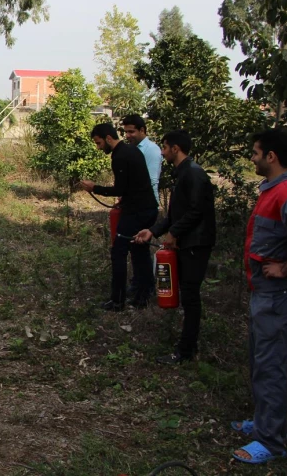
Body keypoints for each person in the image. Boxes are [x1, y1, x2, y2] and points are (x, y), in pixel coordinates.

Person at [229, 129, 287, 465]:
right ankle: (262, 423)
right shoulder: (272, 190)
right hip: (265, 293)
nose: (253, 158)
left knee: (271, 366)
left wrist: (286, 269)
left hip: (279, 295)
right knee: (261, 361)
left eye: (256, 153)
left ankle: (271, 442)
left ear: (271, 156)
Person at [134, 130, 215, 364]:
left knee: (190, 297)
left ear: (176, 149)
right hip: (188, 242)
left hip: (195, 245)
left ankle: (186, 351)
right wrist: (154, 231)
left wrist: (175, 233)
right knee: (186, 295)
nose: (162, 152)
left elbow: (196, 212)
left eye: (166, 147)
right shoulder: (184, 173)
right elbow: (175, 214)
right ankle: (186, 345)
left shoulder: (194, 175)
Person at [79, 122, 158, 311]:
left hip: (137, 213)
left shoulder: (120, 156)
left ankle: (118, 300)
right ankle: (142, 297)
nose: (98, 148)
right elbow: (133, 185)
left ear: (108, 138)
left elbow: (120, 188)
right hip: (146, 209)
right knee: (140, 252)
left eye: (99, 143)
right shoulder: (131, 151)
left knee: (119, 253)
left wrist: (94, 188)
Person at [122, 114, 163, 301]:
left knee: (140, 247)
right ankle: (139, 283)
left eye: (132, 132)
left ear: (142, 131)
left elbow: (151, 180)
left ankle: (145, 290)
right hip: (135, 204)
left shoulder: (151, 150)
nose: (128, 135)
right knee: (135, 248)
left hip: (145, 206)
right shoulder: (133, 149)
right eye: (126, 132)